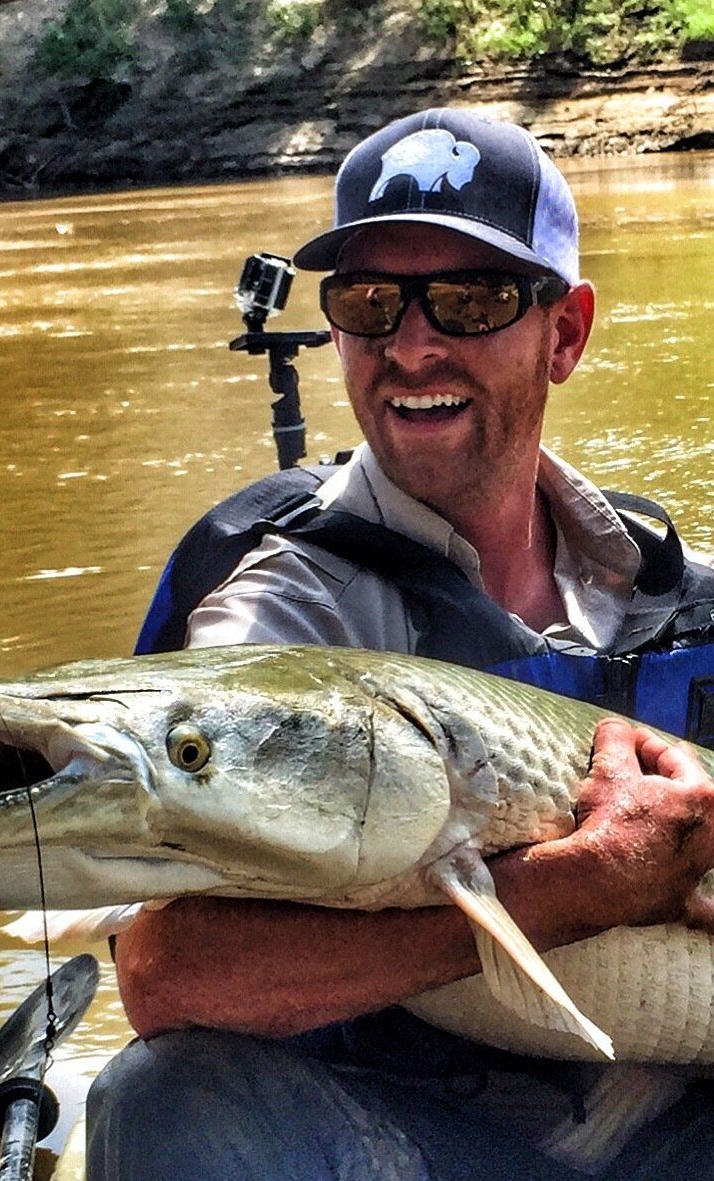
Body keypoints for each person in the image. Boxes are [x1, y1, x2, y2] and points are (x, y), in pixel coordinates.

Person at [86, 108, 714, 1180]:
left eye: (469, 300)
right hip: (400, 1131)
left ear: (563, 333)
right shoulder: (278, 607)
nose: (410, 344)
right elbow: (169, 974)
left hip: (673, 1129)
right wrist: (572, 888)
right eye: (368, 301)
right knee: (166, 1099)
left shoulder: (681, 593)